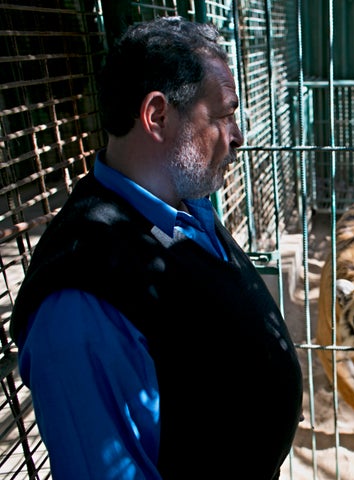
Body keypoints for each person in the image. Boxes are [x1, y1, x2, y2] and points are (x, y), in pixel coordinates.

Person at [11, 16, 302, 480]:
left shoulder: (179, 202)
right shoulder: (79, 304)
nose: (237, 136)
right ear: (158, 117)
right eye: (225, 116)